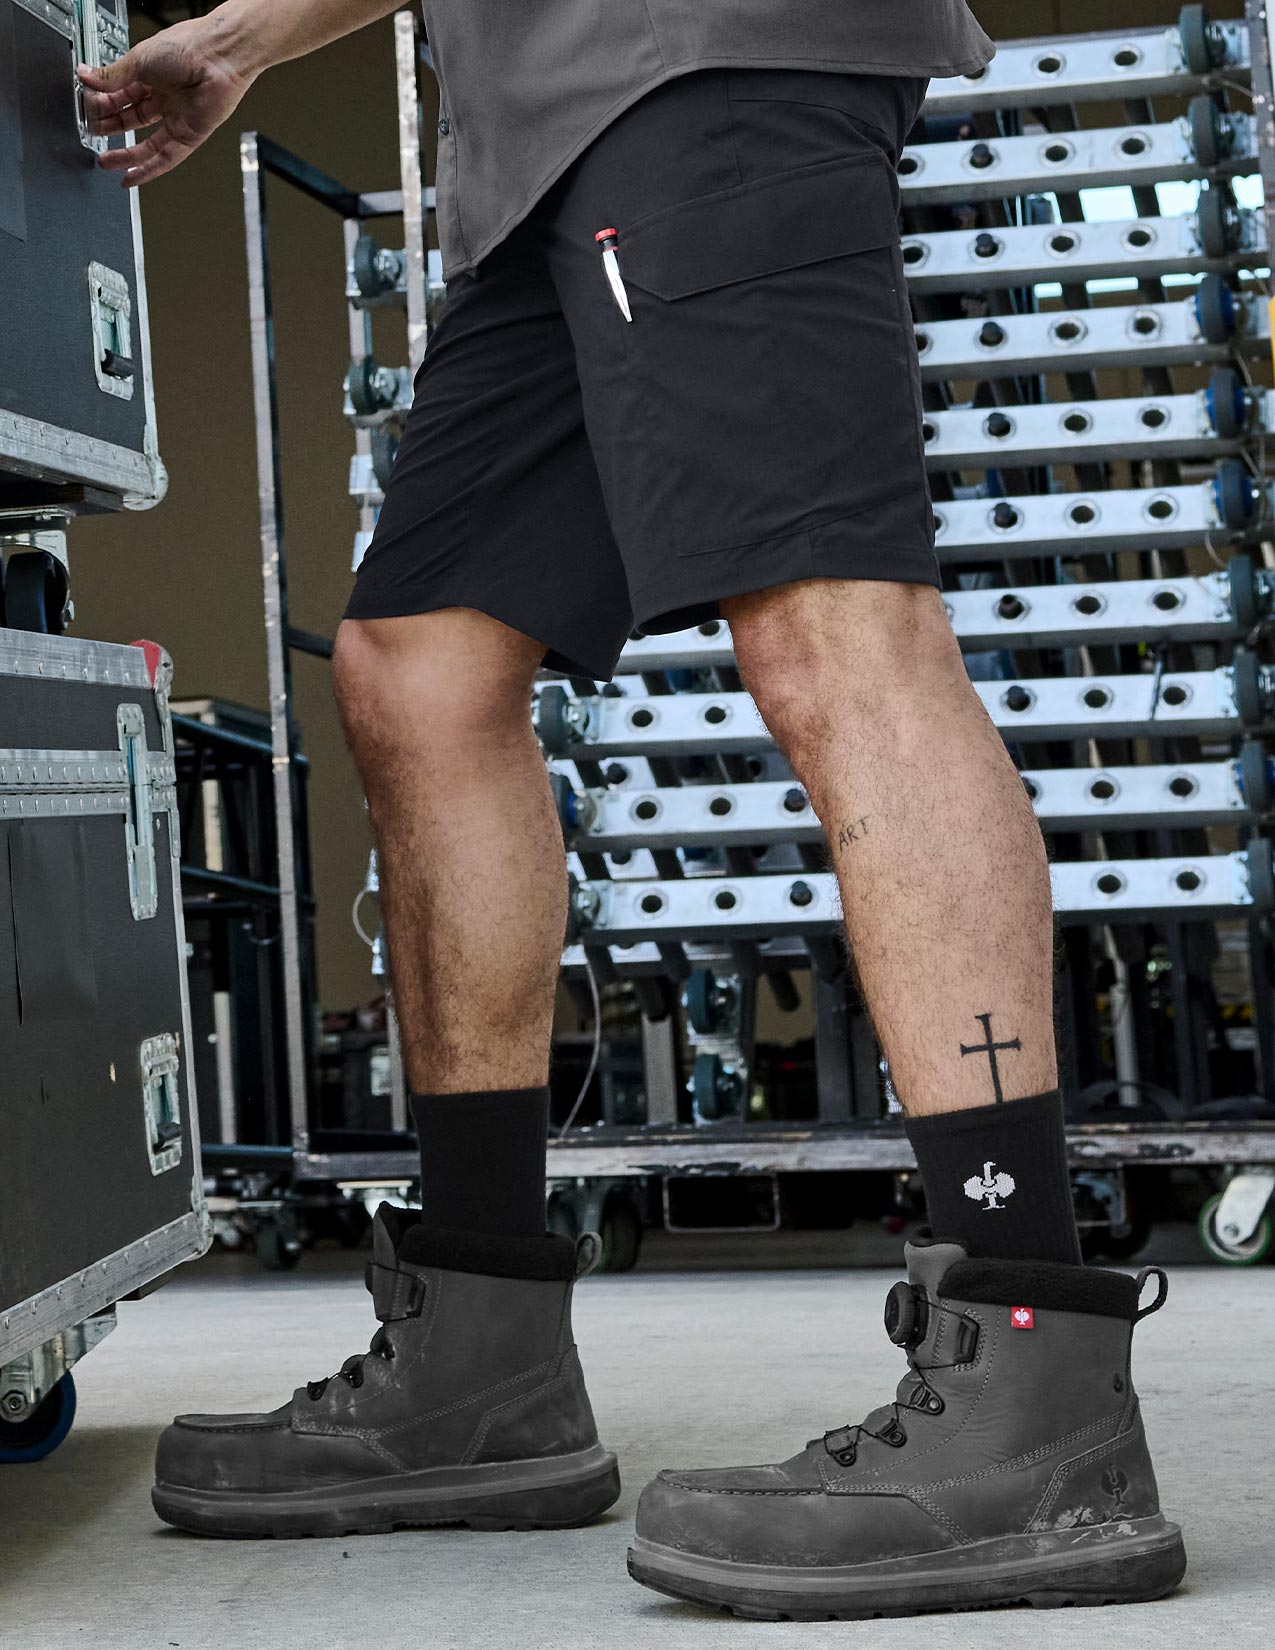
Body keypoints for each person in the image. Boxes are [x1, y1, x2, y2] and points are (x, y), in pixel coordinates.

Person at [81, 0, 1186, 1618]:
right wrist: (260, 36)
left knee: (831, 625)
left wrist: (254, 34)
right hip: (549, 143)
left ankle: (1035, 1381)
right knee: (418, 660)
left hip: (705, 54)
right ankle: (482, 1358)